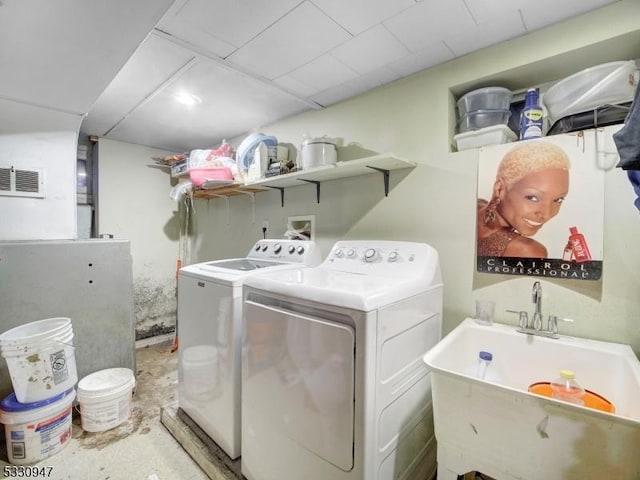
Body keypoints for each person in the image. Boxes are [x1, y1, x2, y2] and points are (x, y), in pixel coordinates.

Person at [477, 141, 571, 258]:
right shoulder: (528, 252)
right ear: (500, 189)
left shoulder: (476, 204)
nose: (546, 214)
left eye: (558, 200)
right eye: (533, 197)